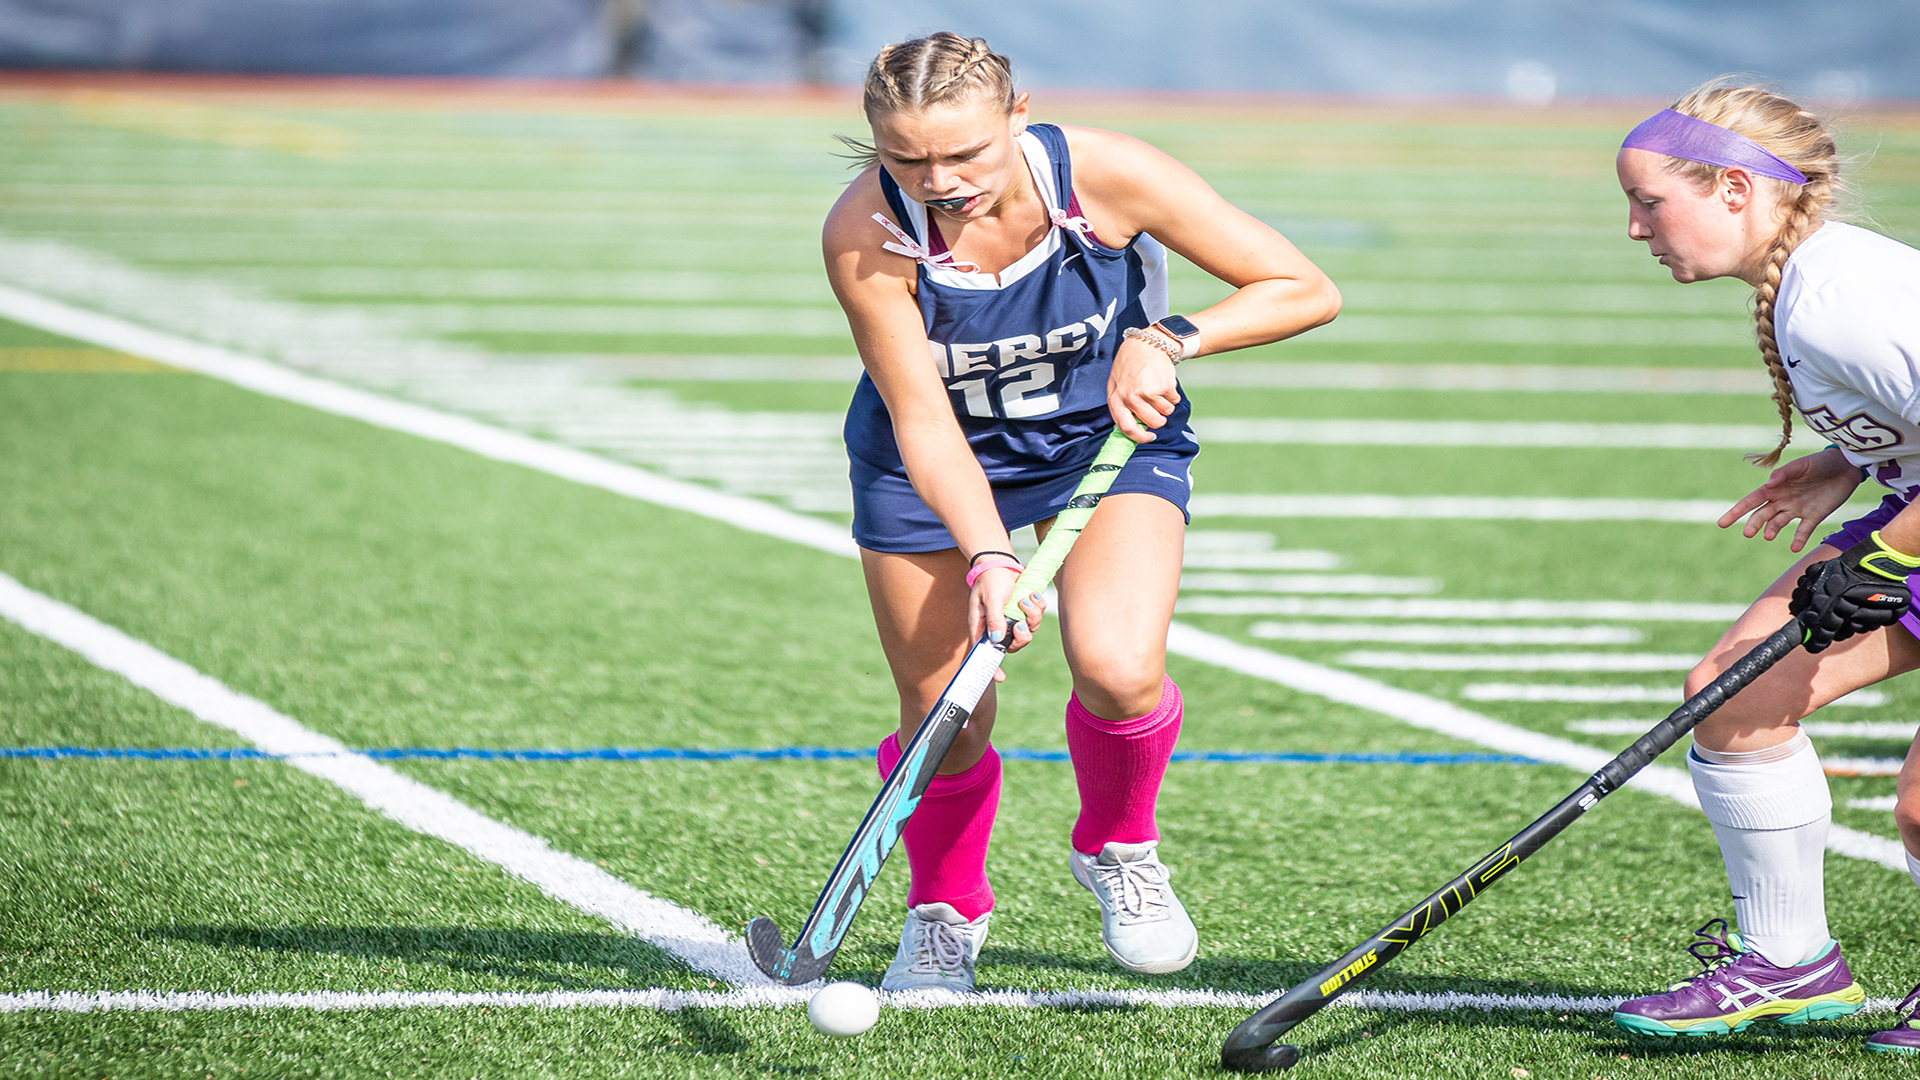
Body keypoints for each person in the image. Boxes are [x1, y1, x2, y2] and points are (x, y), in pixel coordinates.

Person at [823, 32, 1339, 992]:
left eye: (965, 154)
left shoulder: (1107, 175)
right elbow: (923, 420)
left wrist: (1172, 338)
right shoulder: (864, 233)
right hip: (926, 462)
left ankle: (1119, 848)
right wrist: (987, 555)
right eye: (908, 159)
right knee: (950, 712)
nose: (940, 181)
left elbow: (1305, 287)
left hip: (1095, 443)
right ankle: (944, 911)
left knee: (1118, 668)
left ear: (1018, 117)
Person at [1606, 81, 1920, 1052]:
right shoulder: (1809, 285)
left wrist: (1882, 556)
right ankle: (1790, 962)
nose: (1634, 229)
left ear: (1735, 189)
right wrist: (1849, 463)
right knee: (1732, 698)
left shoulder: (1839, 298)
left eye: (1651, 203)